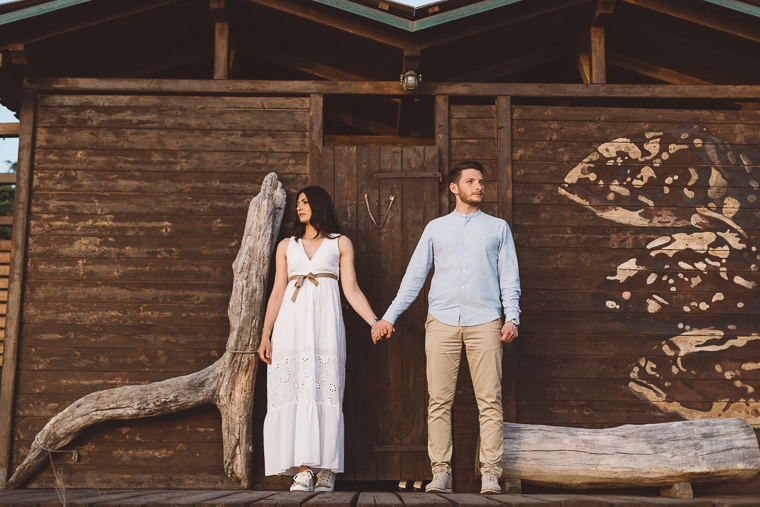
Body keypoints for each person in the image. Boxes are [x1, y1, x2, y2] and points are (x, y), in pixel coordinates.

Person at [373, 161, 521, 495]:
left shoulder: (498, 229)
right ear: (454, 188)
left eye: (481, 182)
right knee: (439, 401)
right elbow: (414, 278)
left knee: (490, 401)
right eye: (471, 181)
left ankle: (490, 474)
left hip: (486, 321)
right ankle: (441, 473)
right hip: (441, 322)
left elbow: (509, 277)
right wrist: (389, 317)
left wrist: (512, 316)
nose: (479, 187)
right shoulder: (436, 228)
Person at [258, 186, 383, 492]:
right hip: (291, 327)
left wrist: (374, 321)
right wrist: (266, 334)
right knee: (297, 390)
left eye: (305, 202)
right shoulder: (287, 245)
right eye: (297, 203)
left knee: (326, 392)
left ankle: (326, 469)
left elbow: (351, 289)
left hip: (325, 325)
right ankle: (303, 470)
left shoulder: (340, 244)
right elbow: (276, 293)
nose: (299, 207)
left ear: (319, 204)